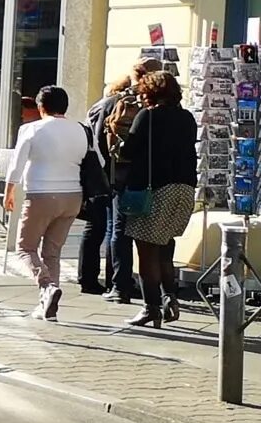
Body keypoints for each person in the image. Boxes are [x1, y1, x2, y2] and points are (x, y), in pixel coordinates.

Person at [116, 67, 199, 330]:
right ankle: (169, 298)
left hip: (155, 190)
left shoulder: (147, 117)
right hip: (184, 190)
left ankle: (150, 308)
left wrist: (118, 137)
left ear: (149, 93)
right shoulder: (187, 118)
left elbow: (129, 151)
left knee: (146, 252)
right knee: (165, 247)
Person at [4, 84, 88, 321]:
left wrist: (9, 190)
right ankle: (48, 307)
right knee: (52, 252)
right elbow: (94, 160)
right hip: (73, 196)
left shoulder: (31, 129)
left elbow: (17, 163)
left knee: (25, 247)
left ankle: (47, 286)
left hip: (42, 194)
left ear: (41, 107)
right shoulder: (81, 130)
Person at [79, 71, 138, 297]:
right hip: (117, 174)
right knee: (114, 228)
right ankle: (115, 281)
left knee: (96, 226)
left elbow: (91, 140)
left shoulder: (99, 106)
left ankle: (88, 278)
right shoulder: (122, 106)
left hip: (99, 172)